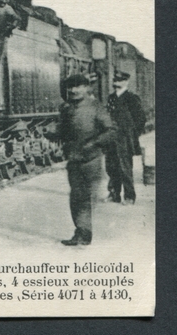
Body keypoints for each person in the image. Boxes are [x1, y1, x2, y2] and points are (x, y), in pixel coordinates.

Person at [57, 74, 117, 246]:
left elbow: (111, 130)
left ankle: (83, 233)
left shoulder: (96, 107)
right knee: (76, 197)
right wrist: (53, 133)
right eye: (70, 87)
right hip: (74, 159)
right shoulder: (66, 109)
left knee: (86, 198)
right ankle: (81, 232)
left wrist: (94, 143)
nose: (74, 90)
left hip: (91, 159)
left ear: (86, 88)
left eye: (78, 86)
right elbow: (63, 132)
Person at [106, 70, 147, 205]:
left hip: (124, 139)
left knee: (125, 167)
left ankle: (129, 197)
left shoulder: (131, 98)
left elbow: (141, 119)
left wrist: (132, 135)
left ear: (126, 82)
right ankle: (114, 194)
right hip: (112, 138)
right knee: (111, 166)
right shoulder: (111, 98)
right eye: (115, 80)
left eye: (120, 81)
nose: (116, 83)